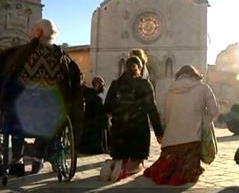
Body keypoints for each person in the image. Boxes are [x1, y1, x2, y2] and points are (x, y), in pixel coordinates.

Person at [0, 19, 83, 176]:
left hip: (21, 115)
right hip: (49, 117)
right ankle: (38, 154)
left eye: (33, 30)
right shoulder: (64, 59)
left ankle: (18, 159)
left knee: (13, 111)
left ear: (38, 33)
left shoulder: (20, 54)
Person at [144, 65, 219, 185]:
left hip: (170, 141)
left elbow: (164, 116)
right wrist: (203, 121)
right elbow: (214, 111)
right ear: (195, 74)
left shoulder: (170, 91)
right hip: (192, 140)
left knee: (167, 167)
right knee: (187, 173)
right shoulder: (203, 87)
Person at [103, 56, 163, 182]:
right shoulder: (144, 84)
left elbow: (107, 107)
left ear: (124, 68)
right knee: (138, 163)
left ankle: (113, 165)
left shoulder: (116, 84)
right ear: (140, 68)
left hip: (118, 130)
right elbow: (152, 109)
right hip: (138, 130)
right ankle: (125, 169)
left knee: (119, 156)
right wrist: (159, 133)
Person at [78, 76, 109, 154]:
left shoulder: (91, 95)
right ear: (97, 84)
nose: (103, 86)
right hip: (95, 125)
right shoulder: (95, 98)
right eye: (102, 84)